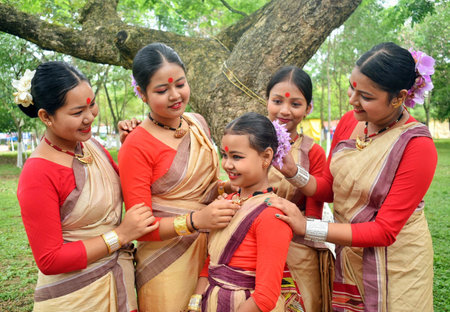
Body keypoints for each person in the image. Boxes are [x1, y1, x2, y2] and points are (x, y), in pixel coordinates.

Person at [267, 42, 437, 311]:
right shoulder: (350, 122)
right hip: (349, 252)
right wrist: (292, 172)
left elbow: (384, 231)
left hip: (396, 265)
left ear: (398, 97)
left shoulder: (417, 146)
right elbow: (330, 190)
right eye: (352, 87)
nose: (352, 100)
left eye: (366, 96)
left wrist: (306, 226)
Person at [15, 61, 158, 312]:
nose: (90, 117)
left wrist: (130, 146)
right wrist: (121, 235)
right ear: (46, 116)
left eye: (92, 105)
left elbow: (120, 189)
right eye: (77, 111)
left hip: (118, 283)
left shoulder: (91, 146)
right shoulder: (38, 173)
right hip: (75, 298)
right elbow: (50, 260)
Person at [118, 42, 240, 312]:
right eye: (162, 90)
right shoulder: (135, 145)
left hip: (212, 250)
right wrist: (196, 220)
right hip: (165, 262)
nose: (175, 95)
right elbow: (140, 227)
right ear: (141, 93)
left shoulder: (197, 123)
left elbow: (206, 189)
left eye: (180, 84)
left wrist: (229, 186)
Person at [188, 112, 293, 312]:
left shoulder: (272, 215)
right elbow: (212, 262)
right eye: (224, 155)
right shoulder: (226, 203)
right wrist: (194, 303)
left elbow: (265, 296)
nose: (227, 164)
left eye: (237, 157)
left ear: (266, 157)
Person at [265, 66, 333, 312]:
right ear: (266, 100)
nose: (284, 110)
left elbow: (315, 208)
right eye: (277, 101)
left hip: (298, 245)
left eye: (295, 103)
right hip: (255, 242)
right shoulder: (249, 140)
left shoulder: (313, 152)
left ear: (308, 108)